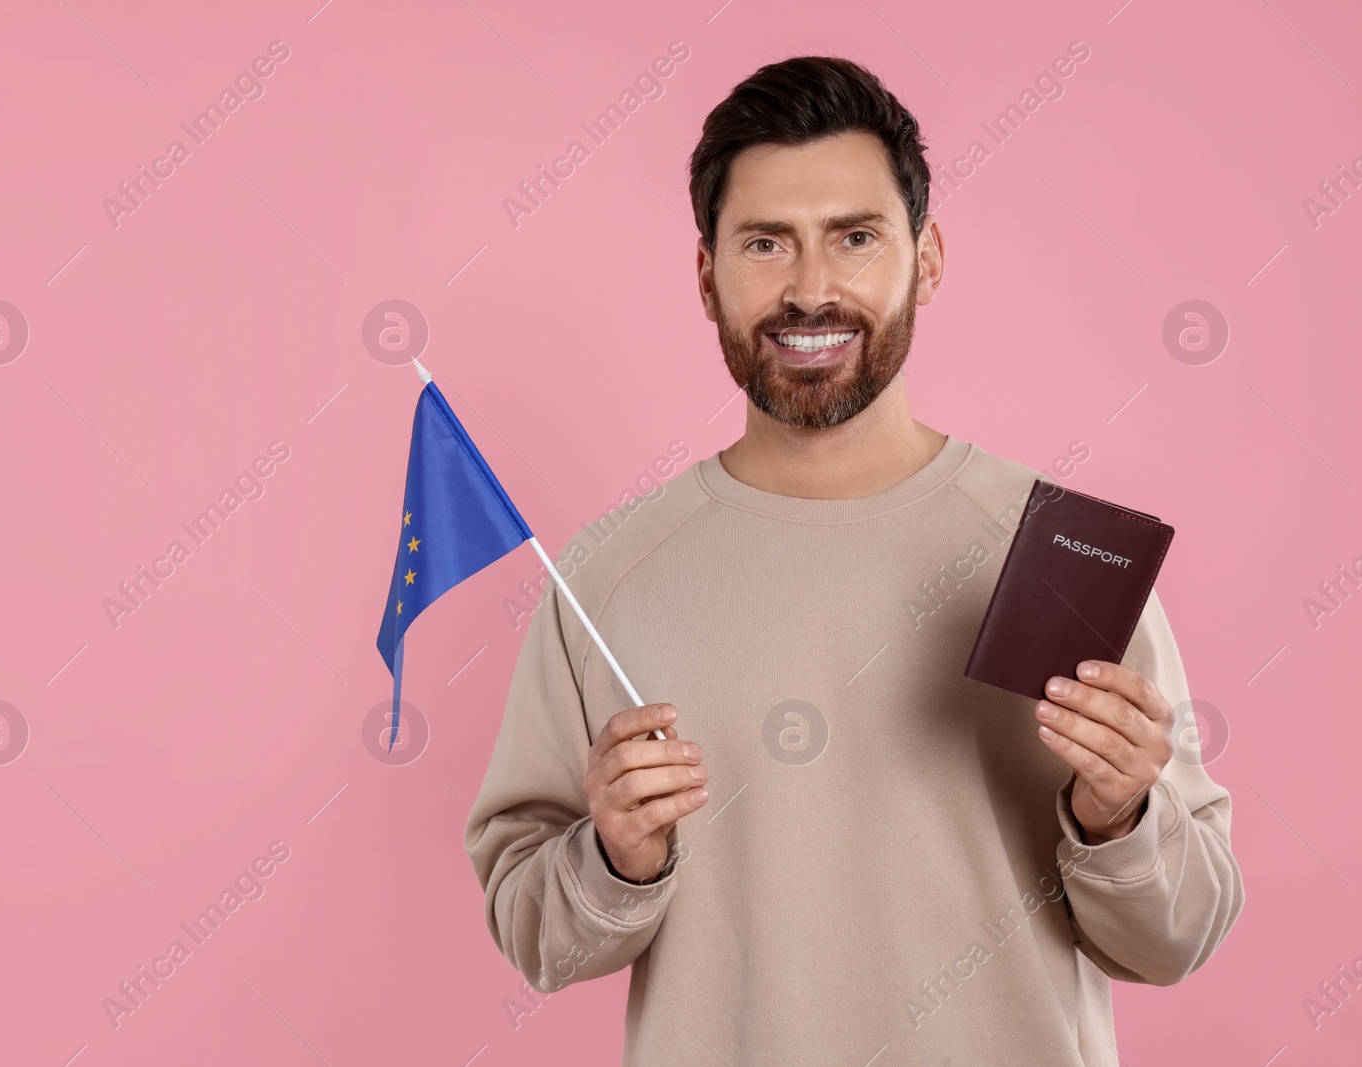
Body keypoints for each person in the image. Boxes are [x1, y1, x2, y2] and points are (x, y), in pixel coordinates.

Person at [464, 55, 1243, 1066]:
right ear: (707, 275)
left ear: (925, 258)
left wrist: (1117, 814)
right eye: (763, 242)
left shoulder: (1057, 550)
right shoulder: (605, 576)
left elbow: (1179, 934)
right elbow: (535, 932)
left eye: (855, 236)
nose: (809, 289)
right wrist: (614, 856)